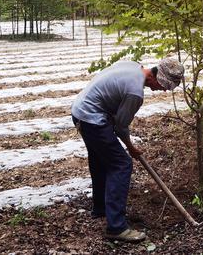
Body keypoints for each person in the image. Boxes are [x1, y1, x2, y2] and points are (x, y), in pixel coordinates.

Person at [71, 58, 185, 243]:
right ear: (156, 77)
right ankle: (116, 227)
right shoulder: (135, 93)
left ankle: (100, 209)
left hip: (80, 110)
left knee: (100, 159)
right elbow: (120, 127)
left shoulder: (132, 65)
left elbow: (116, 111)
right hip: (91, 117)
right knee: (121, 164)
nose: (164, 89)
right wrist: (131, 148)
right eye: (164, 86)